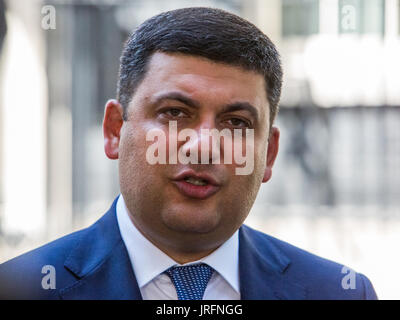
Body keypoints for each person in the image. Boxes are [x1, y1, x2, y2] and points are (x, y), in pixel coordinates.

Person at [0, 7, 377, 300]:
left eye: (236, 123)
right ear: (115, 130)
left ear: (270, 153)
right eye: (175, 113)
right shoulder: (19, 289)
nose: (204, 146)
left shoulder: (338, 291)